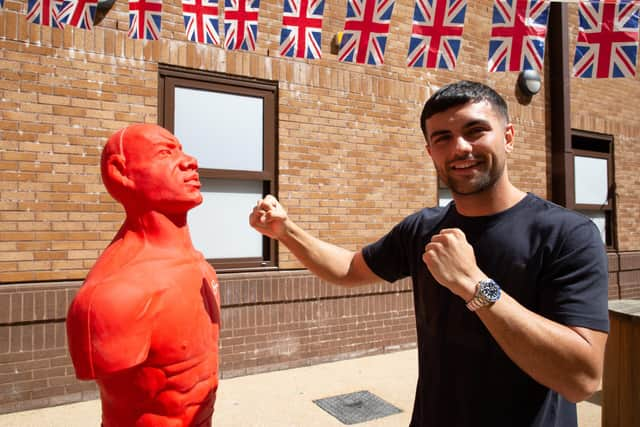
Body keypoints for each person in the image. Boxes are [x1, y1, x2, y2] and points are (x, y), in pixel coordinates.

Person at [250, 80, 609, 426]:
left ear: (509, 138)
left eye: (475, 131)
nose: (460, 148)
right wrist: (286, 231)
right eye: (443, 138)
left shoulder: (567, 234)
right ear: (430, 152)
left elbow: (581, 379)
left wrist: (475, 285)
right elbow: (348, 269)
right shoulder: (422, 229)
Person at [67, 124, 221, 427]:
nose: (190, 161)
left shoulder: (203, 270)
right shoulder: (113, 295)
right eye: (165, 153)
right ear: (121, 172)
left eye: (181, 149)